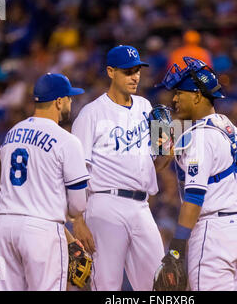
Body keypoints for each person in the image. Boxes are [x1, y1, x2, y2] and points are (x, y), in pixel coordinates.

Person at [156, 57, 237, 290]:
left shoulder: (200, 137)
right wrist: (162, 146)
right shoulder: (231, 129)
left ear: (196, 96)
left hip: (215, 234)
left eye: (179, 93)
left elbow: (194, 198)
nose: (174, 99)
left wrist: (176, 250)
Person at [71, 45, 167, 290]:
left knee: (160, 283)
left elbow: (159, 163)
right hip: (105, 204)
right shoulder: (91, 113)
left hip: (141, 205)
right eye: (128, 71)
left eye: (137, 71)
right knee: (107, 284)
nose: (135, 76)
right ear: (111, 72)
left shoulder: (147, 107)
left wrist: (169, 145)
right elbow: (76, 170)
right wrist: (77, 220)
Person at [0, 73, 90, 290]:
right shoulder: (67, 140)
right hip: (40, 233)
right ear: (59, 101)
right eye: (69, 98)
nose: (71, 102)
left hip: (3, 228)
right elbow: (78, 204)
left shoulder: (11, 133)